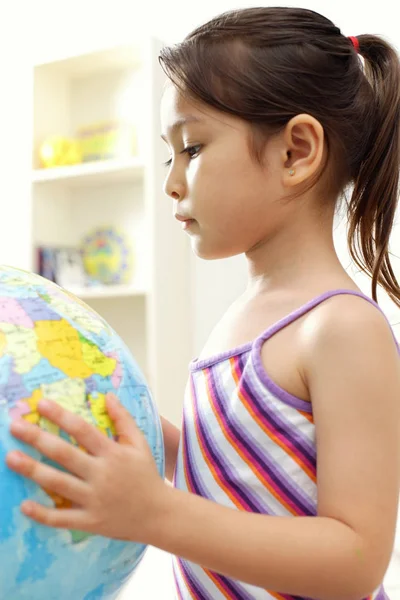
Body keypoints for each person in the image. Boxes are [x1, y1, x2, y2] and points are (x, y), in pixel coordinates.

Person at [6, 7, 400, 599]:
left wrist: (156, 513)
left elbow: (355, 560)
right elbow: (232, 474)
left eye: (191, 148)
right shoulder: (244, 315)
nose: (171, 181)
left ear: (296, 152)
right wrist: (124, 423)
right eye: (170, 156)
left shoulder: (341, 328)